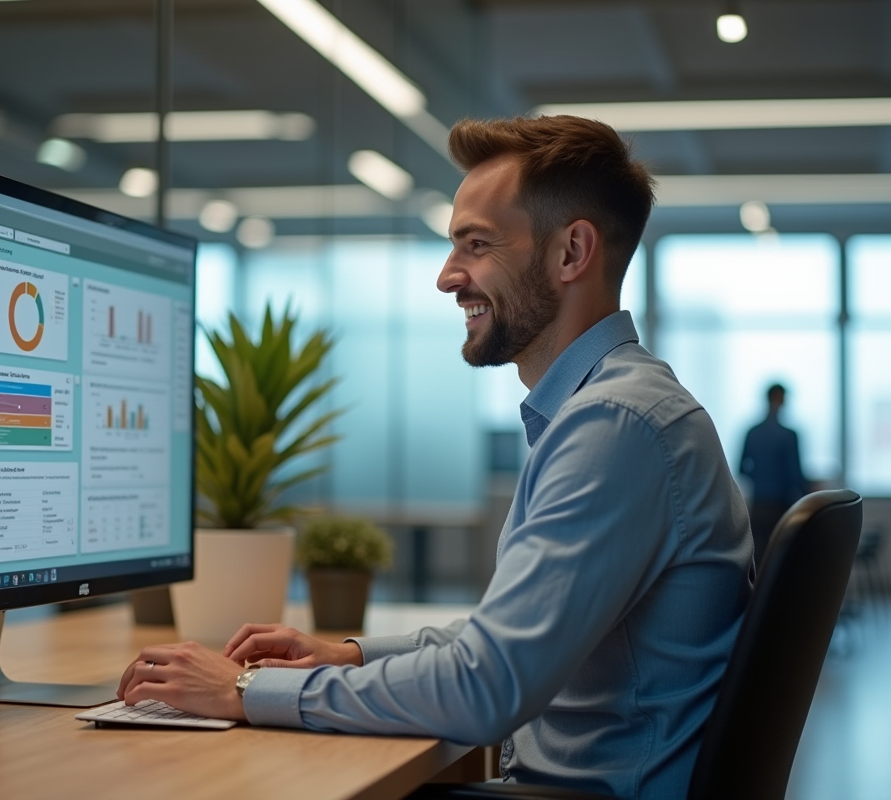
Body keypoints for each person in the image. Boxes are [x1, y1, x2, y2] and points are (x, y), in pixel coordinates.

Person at [117, 116, 753, 800]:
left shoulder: (616, 424)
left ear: (572, 253)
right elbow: (504, 638)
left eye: (476, 245)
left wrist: (247, 688)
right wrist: (348, 655)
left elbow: (487, 687)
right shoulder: (608, 409)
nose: (450, 277)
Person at [739, 383, 809, 563]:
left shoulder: (752, 433)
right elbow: (795, 476)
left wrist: (761, 479)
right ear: (779, 399)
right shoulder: (789, 435)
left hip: (758, 506)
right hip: (780, 506)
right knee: (781, 559)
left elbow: (742, 469)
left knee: (759, 559)